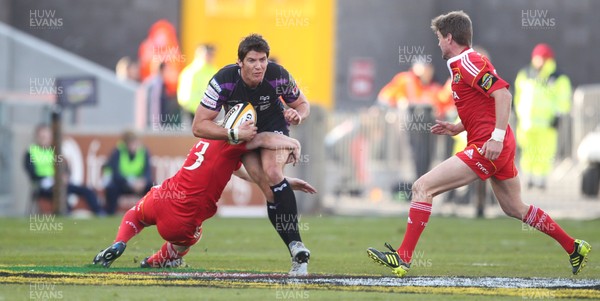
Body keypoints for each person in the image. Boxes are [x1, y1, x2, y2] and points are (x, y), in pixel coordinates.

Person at [367, 11, 590, 277]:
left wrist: (494, 139)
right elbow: (484, 105)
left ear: (449, 38)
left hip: (489, 145)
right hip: (495, 142)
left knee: (421, 187)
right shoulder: (465, 64)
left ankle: (402, 258)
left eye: (439, 38)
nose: (437, 43)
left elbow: (503, 96)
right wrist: (458, 127)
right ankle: (574, 247)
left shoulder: (468, 61)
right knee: (514, 207)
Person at [92, 124, 316, 271]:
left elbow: (242, 172)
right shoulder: (234, 142)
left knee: (135, 214)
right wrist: (294, 143)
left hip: (163, 195)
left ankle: (119, 243)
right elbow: (265, 139)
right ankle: (156, 261)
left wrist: (283, 184)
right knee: (188, 240)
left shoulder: (209, 138)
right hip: (181, 218)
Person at [191, 34, 312, 275]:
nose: (258, 66)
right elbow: (198, 126)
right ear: (240, 62)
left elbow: (302, 104)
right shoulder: (223, 80)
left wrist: (298, 115)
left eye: (263, 60)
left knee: (273, 171)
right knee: (267, 189)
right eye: (252, 60)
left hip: (273, 124)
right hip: (243, 132)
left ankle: (298, 246)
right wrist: (232, 132)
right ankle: (295, 251)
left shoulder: (278, 74)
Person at [514, 43, 572, 190]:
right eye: (536, 58)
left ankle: (541, 179)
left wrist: (558, 115)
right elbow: (519, 95)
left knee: (545, 151)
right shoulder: (525, 73)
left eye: (541, 58)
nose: (538, 61)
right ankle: (529, 178)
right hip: (527, 123)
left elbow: (564, 98)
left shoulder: (558, 77)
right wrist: (518, 112)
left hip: (547, 124)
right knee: (527, 151)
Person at [378, 61, 448, 179]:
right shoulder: (405, 80)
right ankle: (411, 184)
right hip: (407, 124)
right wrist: (397, 106)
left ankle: (421, 182)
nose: (427, 72)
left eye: (429, 69)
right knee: (411, 155)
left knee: (426, 156)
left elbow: (442, 104)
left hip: (428, 127)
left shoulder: (433, 88)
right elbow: (385, 97)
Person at [24, 124, 104, 215]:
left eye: (46, 137)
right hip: (43, 185)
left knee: (86, 190)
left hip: (58, 183)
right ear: (37, 137)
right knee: (61, 193)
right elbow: (31, 172)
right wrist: (48, 178)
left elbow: (64, 168)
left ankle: (99, 212)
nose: (44, 139)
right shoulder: (31, 152)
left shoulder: (54, 151)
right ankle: (65, 214)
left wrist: (65, 176)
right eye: (42, 137)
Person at [102, 130, 153, 215]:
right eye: (132, 143)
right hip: (123, 184)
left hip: (139, 184)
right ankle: (110, 213)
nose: (134, 145)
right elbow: (115, 174)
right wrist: (129, 182)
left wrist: (143, 181)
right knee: (111, 188)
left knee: (152, 188)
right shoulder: (118, 151)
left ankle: (149, 213)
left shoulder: (144, 151)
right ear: (126, 143)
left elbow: (148, 172)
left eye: (136, 142)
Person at [177, 44, 218, 121]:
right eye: (208, 54)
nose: (210, 57)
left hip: (210, 113)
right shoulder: (191, 72)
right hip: (191, 113)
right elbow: (184, 98)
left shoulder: (214, 71)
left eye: (212, 55)